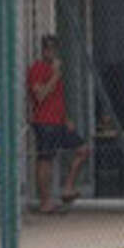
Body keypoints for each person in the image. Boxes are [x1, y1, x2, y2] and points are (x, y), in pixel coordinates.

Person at [27, 34, 89, 213]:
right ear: (43, 50)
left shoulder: (55, 70)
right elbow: (40, 96)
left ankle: (68, 187)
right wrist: (54, 75)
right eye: (48, 49)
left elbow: (57, 98)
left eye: (53, 49)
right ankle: (45, 201)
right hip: (44, 121)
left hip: (58, 120)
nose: (51, 52)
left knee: (83, 149)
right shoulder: (37, 68)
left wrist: (65, 117)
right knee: (45, 159)